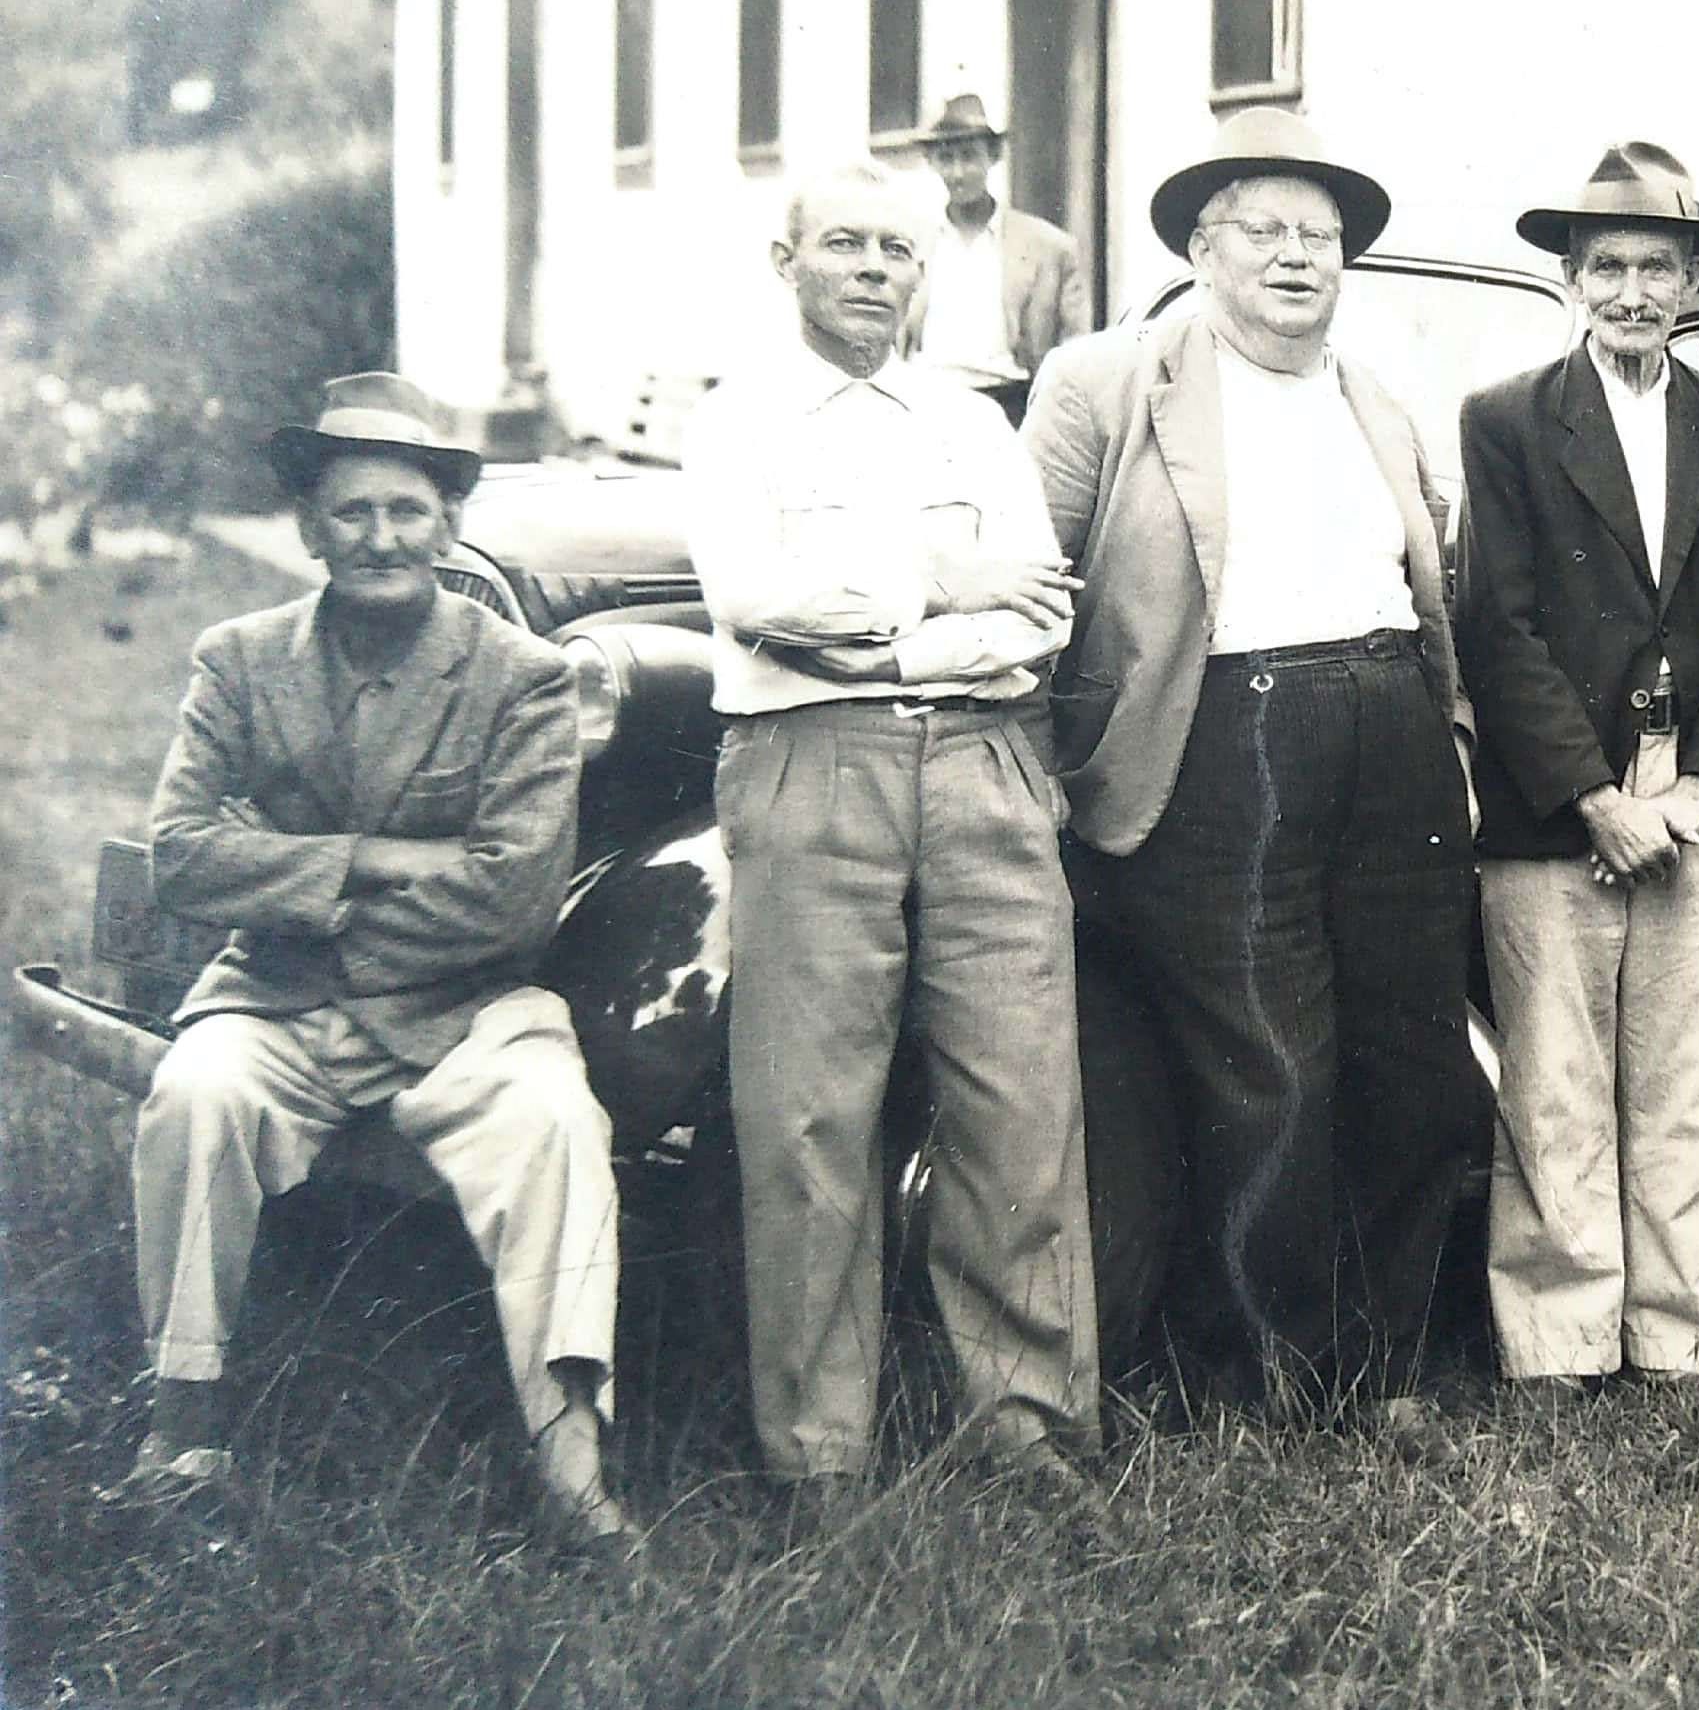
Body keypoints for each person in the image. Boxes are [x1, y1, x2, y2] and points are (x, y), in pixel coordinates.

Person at [1027, 107, 1486, 1425]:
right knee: (1273, 1071)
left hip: (1389, 725)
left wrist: (1444, 742)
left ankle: (1380, 1364)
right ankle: (1258, 1380)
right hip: (1225, 742)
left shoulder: (1371, 392)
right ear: (1201, 248)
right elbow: (1031, 583)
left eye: (1320, 235)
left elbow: (1427, 582)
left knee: (1419, 1068)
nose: (1297, 257)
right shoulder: (1105, 384)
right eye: (1264, 230)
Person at [124, 375, 628, 1547]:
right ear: (310, 529)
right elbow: (183, 856)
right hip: (280, 1006)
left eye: (407, 510)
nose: (381, 537)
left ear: (448, 526)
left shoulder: (523, 676)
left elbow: (509, 901)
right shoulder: (238, 658)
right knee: (196, 1093)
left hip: (469, 1014)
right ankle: (182, 1424)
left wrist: (301, 883)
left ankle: (573, 1466)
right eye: (351, 513)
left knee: (555, 1126)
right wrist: (380, 857)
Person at [683, 157, 1098, 1509]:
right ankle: (818, 1452)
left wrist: (888, 609)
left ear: (927, 272)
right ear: (786, 261)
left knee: (1018, 1093)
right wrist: (938, 576)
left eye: (899, 250)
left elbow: (1038, 612)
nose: (874, 268)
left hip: (986, 760)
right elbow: (757, 600)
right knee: (809, 1109)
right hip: (814, 764)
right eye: (846, 244)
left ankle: (1026, 1419)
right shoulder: (735, 420)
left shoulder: (975, 420)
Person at [1456, 142, 1699, 1394]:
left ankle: (1680, 1337)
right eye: (1609, 267)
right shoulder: (1503, 421)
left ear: (1694, 282)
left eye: (1659, 266)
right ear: (1568, 279)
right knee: (1551, 1090)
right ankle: (1559, 1344)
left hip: (1698, 814)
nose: (1634, 291)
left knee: (1692, 1086)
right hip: (1559, 818)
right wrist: (1595, 796)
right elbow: (1500, 626)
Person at [903, 93, 1090, 426]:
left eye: (969, 157)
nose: (958, 173)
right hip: (926, 404)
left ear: (993, 156)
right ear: (932, 162)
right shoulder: (911, 242)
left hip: (1010, 406)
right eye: (946, 158)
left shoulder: (1048, 246)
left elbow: (1075, 349)